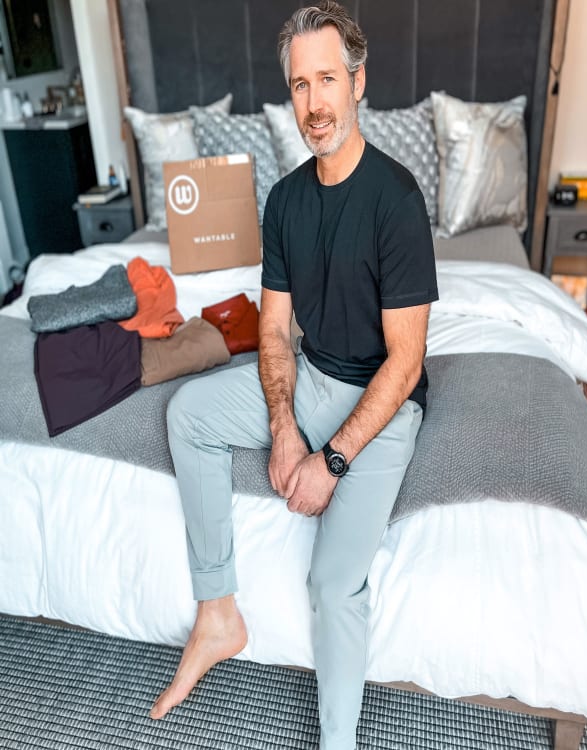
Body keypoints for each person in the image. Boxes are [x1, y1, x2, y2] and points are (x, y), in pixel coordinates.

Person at [150, 2, 438, 747]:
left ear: (358, 82)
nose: (314, 103)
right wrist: (283, 427)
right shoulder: (283, 202)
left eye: (327, 80)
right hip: (310, 380)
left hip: (383, 405)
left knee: (331, 584)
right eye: (300, 85)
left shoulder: (398, 200)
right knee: (188, 414)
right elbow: (274, 329)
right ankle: (218, 614)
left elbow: (406, 362)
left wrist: (330, 461)